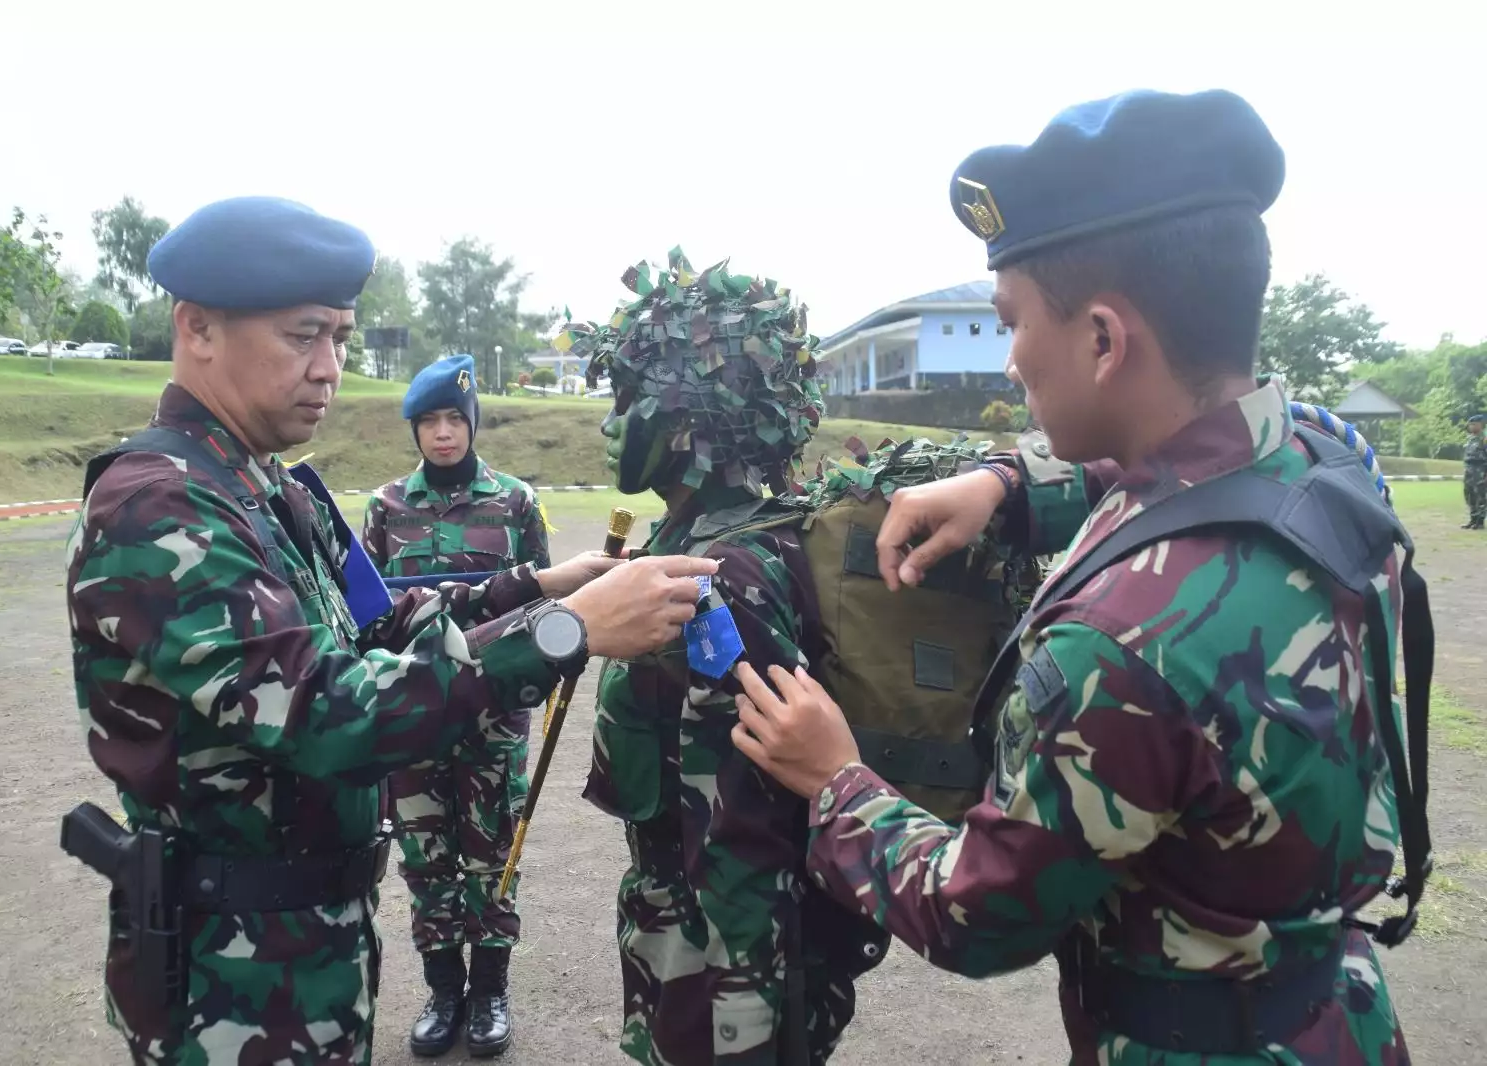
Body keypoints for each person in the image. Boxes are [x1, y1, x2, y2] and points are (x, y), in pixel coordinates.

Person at [728, 90, 1425, 1064]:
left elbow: (980, 913)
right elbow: (1185, 469)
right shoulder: (1325, 459)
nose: (1009, 359)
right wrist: (1006, 484)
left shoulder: (1117, 640)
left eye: (1012, 321)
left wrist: (835, 778)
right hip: (1336, 1013)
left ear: (1102, 338)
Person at [62, 196, 720, 1066]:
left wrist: (535, 587)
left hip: (310, 943)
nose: (330, 367)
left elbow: (381, 620)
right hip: (228, 973)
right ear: (198, 329)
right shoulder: (158, 508)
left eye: (341, 337)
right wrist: (565, 632)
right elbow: (329, 713)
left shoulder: (274, 490)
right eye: (304, 336)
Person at [560, 249, 1034, 1066]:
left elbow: (742, 820)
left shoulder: (718, 576)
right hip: (688, 934)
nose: (612, 423)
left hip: (720, 968)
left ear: (685, 420)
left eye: (626, 400)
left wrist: (746, 1022)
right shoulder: (713, 540)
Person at [361, 352, 549, 1057]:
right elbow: (366, 613)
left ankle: (490, 992)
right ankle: (444, 990)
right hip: (410, 714)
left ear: (471, 423)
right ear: (415, 430)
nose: (442, 434)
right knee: (424, 851)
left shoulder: (515, 502)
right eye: (428, 421)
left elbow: (542, 601)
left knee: (493, 851)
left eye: (453, 419)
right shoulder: (385, 508)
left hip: (494, 712)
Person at [1463, 412, 1485, 529]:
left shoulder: (1484, 439)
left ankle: (1480, 522)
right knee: (1469, 495)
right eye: (1470, 424)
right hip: (1469, 470)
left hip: (1480, 470)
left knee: (1480, 496)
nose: (1470, 426)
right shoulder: (1470, 439)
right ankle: (1473, 519)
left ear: (1480, 425)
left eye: (1473, 424)